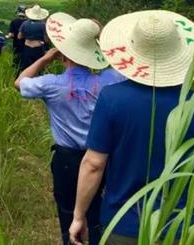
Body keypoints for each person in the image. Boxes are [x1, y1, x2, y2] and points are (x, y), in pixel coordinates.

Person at [69, 10, 194, 245]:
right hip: (179, 230)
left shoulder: (111, 99)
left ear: (133, 52)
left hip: (122, 226)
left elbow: (93, 164)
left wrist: (78, 216)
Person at [15, 13, 123, 245]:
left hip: (66, 159)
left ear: (63, 54)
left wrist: (45, 59)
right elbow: (123, 69)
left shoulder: (51, 84)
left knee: (67, 210)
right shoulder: (108, 81)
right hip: (99, 156)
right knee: (95, 208)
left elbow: (20, 82)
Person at [17, 4, 50, 73]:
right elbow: (46, 39)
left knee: (25, 69)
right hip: (38, 49)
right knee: (38, 69)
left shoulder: (24, 23)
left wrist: (27, 35)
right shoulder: (43, 25)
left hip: (26, 48)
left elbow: (19, 36)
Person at [7, 6, 27, 70]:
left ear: (18, 13)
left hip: (16, 45)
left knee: (16, 63)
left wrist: (9, 36)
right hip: (26, 46)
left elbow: (10, 35)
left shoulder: (14, 21)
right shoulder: (28, 22)